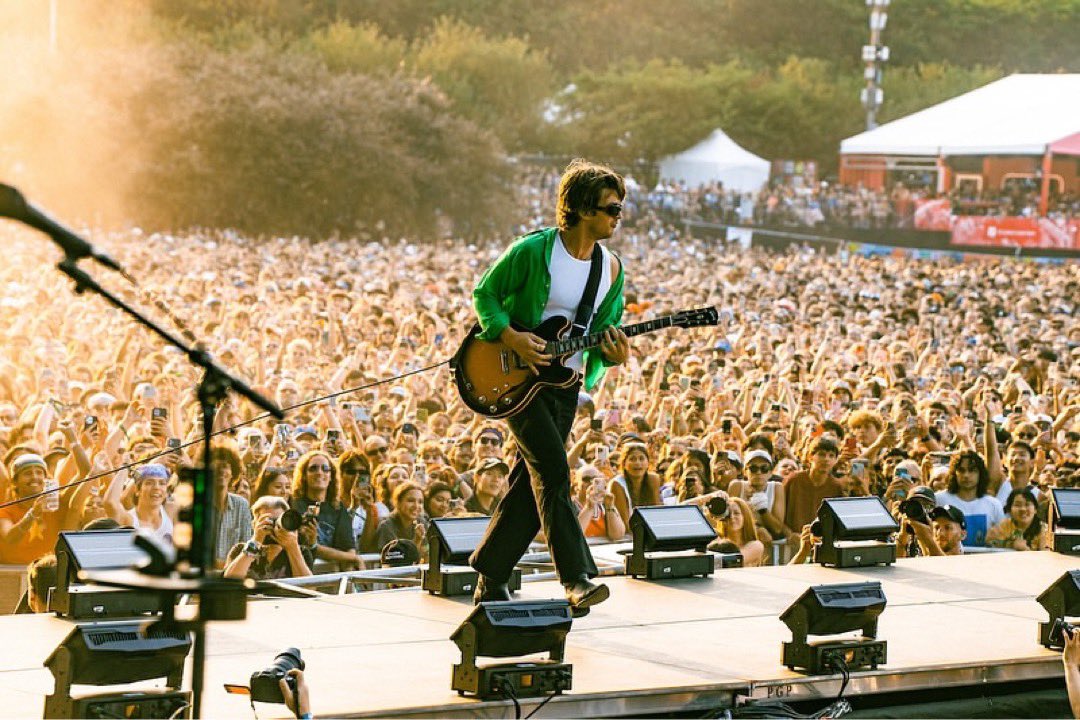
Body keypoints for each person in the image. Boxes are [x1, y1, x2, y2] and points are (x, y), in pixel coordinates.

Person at [469, 159, 629, 616]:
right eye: (611, 208)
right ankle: (576, 579)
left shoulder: (611, 269)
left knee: (530, 481)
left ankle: (490, 575)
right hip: (518, 380)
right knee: (555, 473)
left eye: (620, 209)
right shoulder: (535, 250)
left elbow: (606, 331)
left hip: (565, 383)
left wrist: (614, 354)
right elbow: (486, 294)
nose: (618, 217)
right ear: (580, 208)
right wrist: (513, 336)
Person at [223, 496, 313, 580]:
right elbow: (230, 580)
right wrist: (255, 542)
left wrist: (293, 548)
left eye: (278, 521)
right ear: (254, 524)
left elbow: (310, 588)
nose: (273, 526)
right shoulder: (239, 550)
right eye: (267, 520)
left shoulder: (301, 552)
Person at [933, 451, 1004, 547]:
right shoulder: (939, 499)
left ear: (980, 474)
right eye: (961, 470)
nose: (966, 475)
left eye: (972, 470)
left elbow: (1003, 539)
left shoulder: (994, 504)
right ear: (954, 473)